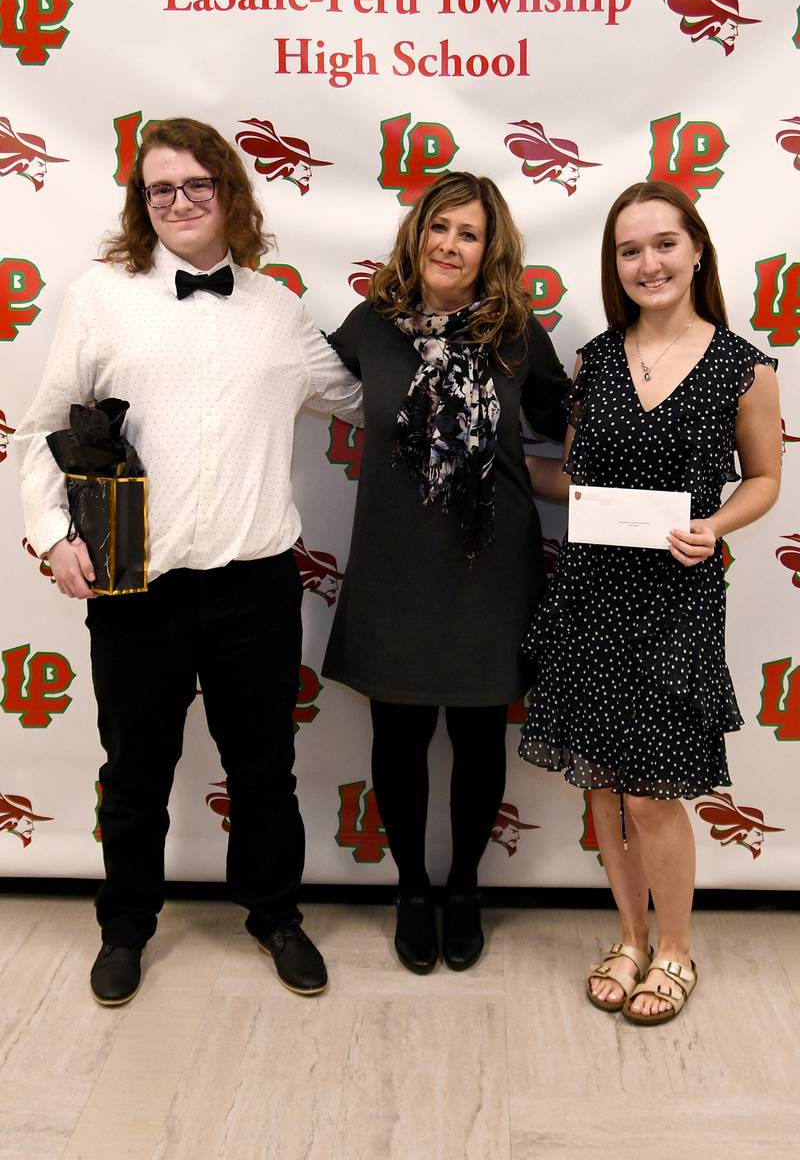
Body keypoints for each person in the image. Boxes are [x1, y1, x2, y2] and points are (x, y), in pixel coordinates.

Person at [15, 117, 363, 1005]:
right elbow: (44, 430)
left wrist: (450, 351)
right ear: (143, 202)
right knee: (134, 771)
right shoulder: (100, 297)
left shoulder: (278, 310)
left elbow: (362, 400)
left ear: (230, 194)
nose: (178, 202)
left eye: (196, 185)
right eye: (159, 188)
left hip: (254, 586)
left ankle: (276, 916)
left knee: (264, 771)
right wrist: (52, 536)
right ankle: (125, 928)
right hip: (135, 587)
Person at [519, 180, 781, 1023]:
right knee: (601, 787)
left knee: (650, 793)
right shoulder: (593, 361)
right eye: (630, 250)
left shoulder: (745, 366)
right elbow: (575, 479)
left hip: (678, 597)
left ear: (696, 249)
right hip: (589, 595)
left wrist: (716, 523)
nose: (648, 263)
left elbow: (767, 478)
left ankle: (676, 950)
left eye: (664, 244)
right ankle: (629, 937)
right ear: (615, 264)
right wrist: (496, 460)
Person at [321, 171, 570, 973]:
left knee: (474, 729)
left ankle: (464, 887)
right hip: (395, 558)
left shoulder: (517, 332)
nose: (450, 245)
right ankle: (411, 890)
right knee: (396, 733)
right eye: (439, 227)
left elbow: (575, 426)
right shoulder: (371, 325)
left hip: (490, 563)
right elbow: (286, 383)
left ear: (489, 250)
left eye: (468, 233)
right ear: (416, 234)